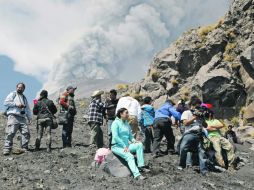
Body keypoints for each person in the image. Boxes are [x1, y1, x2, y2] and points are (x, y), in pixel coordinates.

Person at [111, 108, 148, 180]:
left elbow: (130, 136)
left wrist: (134, 141)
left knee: (139, 144)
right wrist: (124, 146)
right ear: (121, 114)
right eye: (126, 113)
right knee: (129, 156)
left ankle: (141, 166)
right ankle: (137, 175)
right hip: (117, 146)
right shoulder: (115, 123)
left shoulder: (126, 123)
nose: (128, 115)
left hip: (127, 146)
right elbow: (115, 137)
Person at [178, 96, 208, 175]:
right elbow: (185, 123)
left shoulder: (200, 114)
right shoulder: (187, 112)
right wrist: (195, 116)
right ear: (192, 105)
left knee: (202, 152)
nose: (198, 108)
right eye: (196, 106)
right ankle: (182, 165)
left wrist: (202, 118)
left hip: (199, 134)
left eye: (199, 106)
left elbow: (205, 125)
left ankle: (204, 171)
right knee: (183, 147)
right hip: (189, 133)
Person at [3, 82, 32, 155]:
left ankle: (24, 148)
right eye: (18, 87)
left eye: (21, 88)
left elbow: (27, 108)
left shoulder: (24, 98)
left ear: (24, 89)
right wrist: (16, 104)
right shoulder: (13, 94)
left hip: (22, 117)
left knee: (26, 132)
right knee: (11, 132)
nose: (20, 88)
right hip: (13, 116)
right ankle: (7, 149)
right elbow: (6, 103)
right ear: (16, 87)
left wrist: (29, 117)